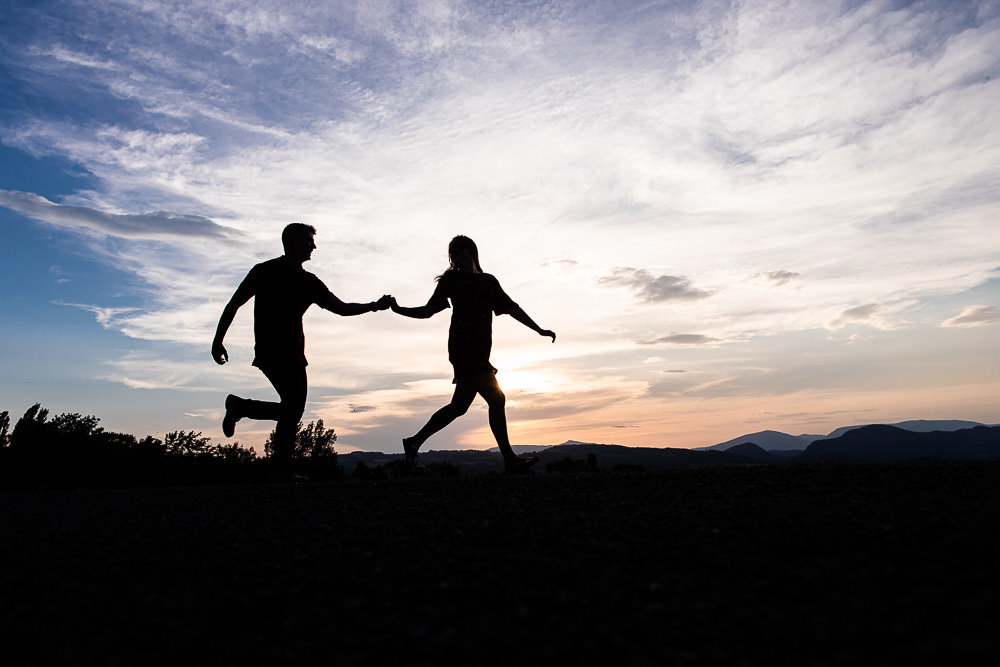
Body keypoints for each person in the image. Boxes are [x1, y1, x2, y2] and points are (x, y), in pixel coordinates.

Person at [212, 223, 390, 476]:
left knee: (292, 410)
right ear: (293, 242)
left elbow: (340, 308)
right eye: (309, 241)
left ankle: (245, 413)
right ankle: (253, 425)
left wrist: (373, 306)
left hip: (293, 353)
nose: (314, 246)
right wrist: (218, 340)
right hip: (274, 350)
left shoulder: (309, 282)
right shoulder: (265, 271)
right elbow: (234, 304)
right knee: (293, 409)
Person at [390, 235, 555, 474]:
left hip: (480, 349)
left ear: (470, 250)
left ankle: (414, 442)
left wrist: (538, 329)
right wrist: (398, 309)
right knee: (496, 399)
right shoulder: (451, 280)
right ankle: (510, 460)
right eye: (452, 252)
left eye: (458, 250)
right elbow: (428, 310)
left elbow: (512, 308)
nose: (454, 255)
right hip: (463, 349)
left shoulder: (488, 281)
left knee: (459, 406)